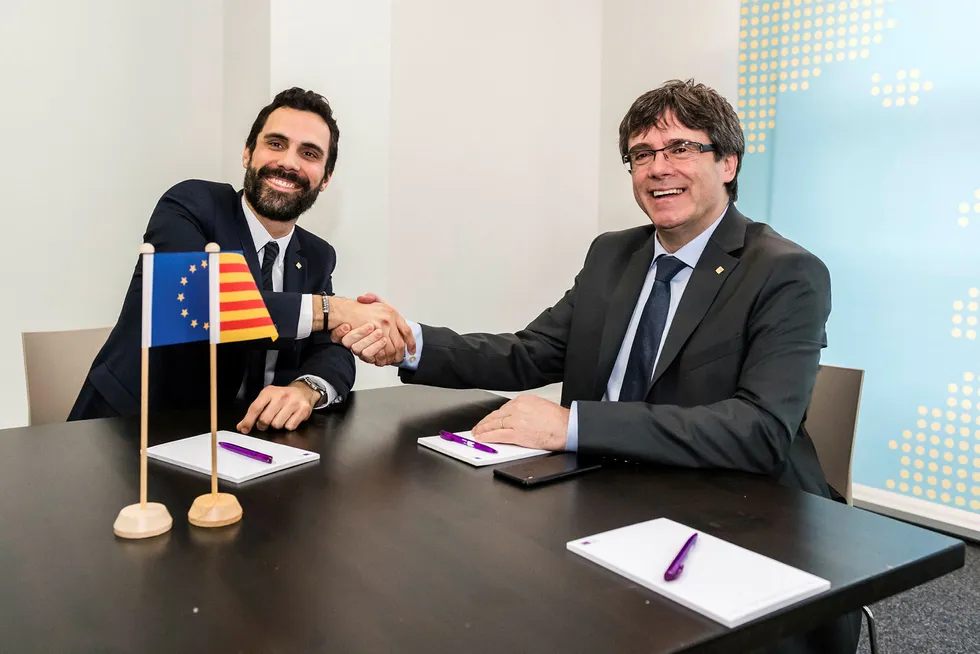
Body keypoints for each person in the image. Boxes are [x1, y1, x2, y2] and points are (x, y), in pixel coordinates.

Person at [336, 80, 860, 653]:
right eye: (642, 155)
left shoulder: (785, 272)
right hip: (600, 497)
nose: (659, 168)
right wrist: (411, 342)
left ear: (728, 162)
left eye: (681, 148)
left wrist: (572, 425)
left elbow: (759, 432)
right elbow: (530, 352)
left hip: (732, 518)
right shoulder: (613, 254)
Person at [69, 87, 413, 434]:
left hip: (243, 443)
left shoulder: (317, 255)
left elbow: (331, 349)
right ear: (248, 153)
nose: (289, 162)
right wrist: (334, 309)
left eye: (309, 153)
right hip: (129, 432)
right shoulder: (192, 205)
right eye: (276, 144)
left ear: (324, 179)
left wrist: (306, 389)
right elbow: (200, 306)